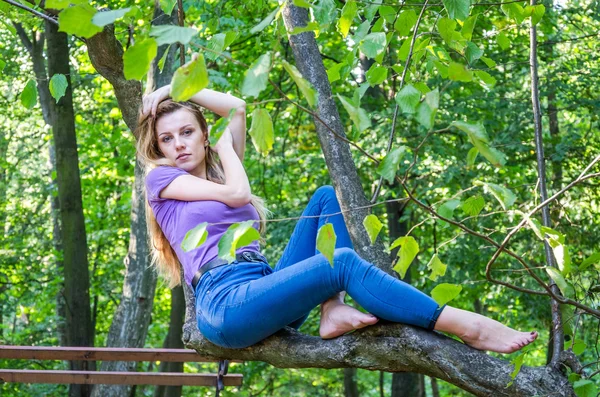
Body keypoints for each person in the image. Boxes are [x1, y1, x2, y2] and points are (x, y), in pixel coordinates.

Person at [136, 79, 538, 353]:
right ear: (160, 150)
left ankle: (332, 309)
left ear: (204, 133)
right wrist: (225, 149)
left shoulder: (223, 169)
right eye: (166, 140)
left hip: (264, 286)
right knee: (341, 261)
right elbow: (238, 194)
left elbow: (238, 108)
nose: (178, 145)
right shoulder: (162, 181)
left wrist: (173, 88)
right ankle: (470, 327)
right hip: (226, 305)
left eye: (187, 132)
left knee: (326, 198)